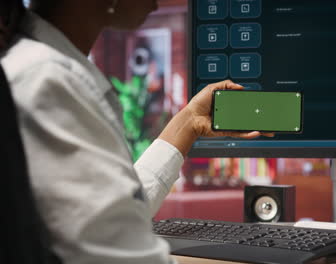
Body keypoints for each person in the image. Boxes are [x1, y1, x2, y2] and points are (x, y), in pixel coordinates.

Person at [0, 0, 273, 263]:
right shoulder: (48, 80)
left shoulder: (34, 64)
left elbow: (109, 214)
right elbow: (112, 251)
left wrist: (189, 122)